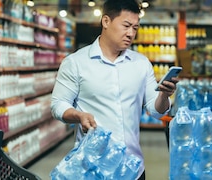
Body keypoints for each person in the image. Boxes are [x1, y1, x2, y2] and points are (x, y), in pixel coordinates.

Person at [50, 0, 179, 179]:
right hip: (92, 170)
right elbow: (58, 104)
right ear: (106, 21)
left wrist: (164, 95)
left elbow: (155, 110)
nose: (131, 33)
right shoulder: (76, 63)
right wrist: (78, 116)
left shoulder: (141, 64)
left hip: (132, 169)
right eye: (126, 25)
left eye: (135, 28)